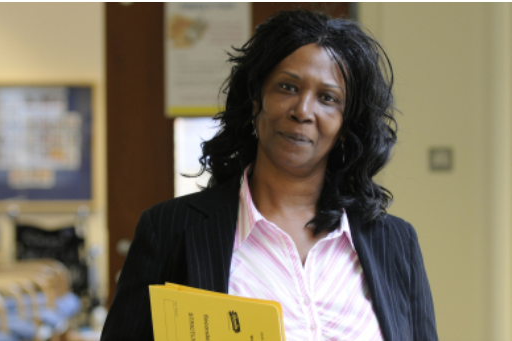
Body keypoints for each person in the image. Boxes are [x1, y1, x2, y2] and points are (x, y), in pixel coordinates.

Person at [101, 9, 438, 341]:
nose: (303, 111)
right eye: (287, 87)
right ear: (254, 99)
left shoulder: (395, 242)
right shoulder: (169, 230)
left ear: (347, 125)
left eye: (327, 98)